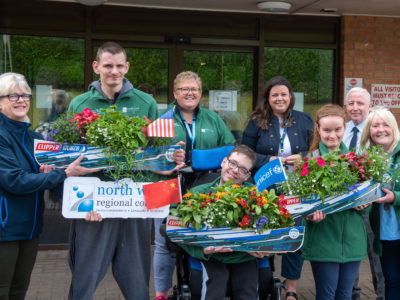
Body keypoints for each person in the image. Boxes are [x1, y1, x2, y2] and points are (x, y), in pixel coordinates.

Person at [67, 41, 166, 300]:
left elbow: (156, 151)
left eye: (119, 65)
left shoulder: (146, 103)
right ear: (96, 66)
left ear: (127, 67)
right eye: (108, 65)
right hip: (94, 204)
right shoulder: (80, 104)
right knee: (83, 282)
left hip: (134, 204)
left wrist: (168, 160)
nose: (114, 71)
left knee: (136, 283)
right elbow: (69, 156)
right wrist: (79, 203)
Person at [0, 72, 97, 300]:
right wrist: (62, 173)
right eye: (13, 96)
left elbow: (52, 180)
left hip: (31, 228)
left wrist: (85, 205)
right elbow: (15, 181)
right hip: (5, 229)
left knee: (19, 290)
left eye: (25, 95)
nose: (21, 100)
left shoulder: (33, 138)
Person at [153, 71, 236, 300]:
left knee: (202, 232)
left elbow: (230, 150)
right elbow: (149, 155)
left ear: (200, 93)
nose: (190, 93)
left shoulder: (213, 119)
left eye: (195, 90)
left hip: (206, 186)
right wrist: (167, 156)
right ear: (175, 93)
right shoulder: (163, 118)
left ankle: (200, 279)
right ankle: (161, 293)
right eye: (184, 89)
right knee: (164, 241)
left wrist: (198, 158)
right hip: (166, 184)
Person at [242, 75, 314, 300]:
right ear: (268, 98)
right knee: (265, 233)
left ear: (290, 97)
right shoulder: (257, 120)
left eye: (284, 94)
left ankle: (291, 289)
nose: (280, 98)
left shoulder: (304, 120)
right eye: (275, 95)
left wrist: (302, 157)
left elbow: (315, 150)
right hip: (266, 186)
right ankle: (265, 279)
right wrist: (268, 159)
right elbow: (244, 150)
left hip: (296, 188)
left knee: (295, 236)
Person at [179, 144, 269, 299]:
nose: (235, 170)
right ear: (223, 162)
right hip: (212, 255)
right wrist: (202, 251)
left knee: (247, 291)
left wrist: (264, 247)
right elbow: (179, 231)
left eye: (242, 169)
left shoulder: (257, 198)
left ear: (247, 176)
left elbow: (268, 227)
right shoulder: (198, 194)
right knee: (215, 288)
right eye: (232, 163)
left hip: (244, 255)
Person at [302, 104, 371, 300]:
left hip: (353, 241)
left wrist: (365, 205)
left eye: (337, 129)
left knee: (346, 295)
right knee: (326, 295)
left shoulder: (357, 161)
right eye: (327, 130)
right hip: (324, 241)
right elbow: (302, 206)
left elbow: (368, 199)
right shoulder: (309, 164)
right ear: (318, 129)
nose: (332, 135)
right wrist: (310, 216)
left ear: (345, 128)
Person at [343, 87, 384, 300]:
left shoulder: (377, 130)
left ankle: (381, 295)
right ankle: (352, 294)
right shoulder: (342, 129)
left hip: (372, 203)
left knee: (376, 255)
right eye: (351, 103)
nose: (355, 107)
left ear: (369, 106)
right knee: (350, 254)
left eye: (360, 103)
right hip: (346, 204)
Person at [360, 106, 400, 300]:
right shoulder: (366, 160)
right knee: (391, 282)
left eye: (385, 124)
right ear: (369, 131)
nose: (381, 129)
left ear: (394, 127)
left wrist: (396, 197)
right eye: (375, 125)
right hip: (385, 234)